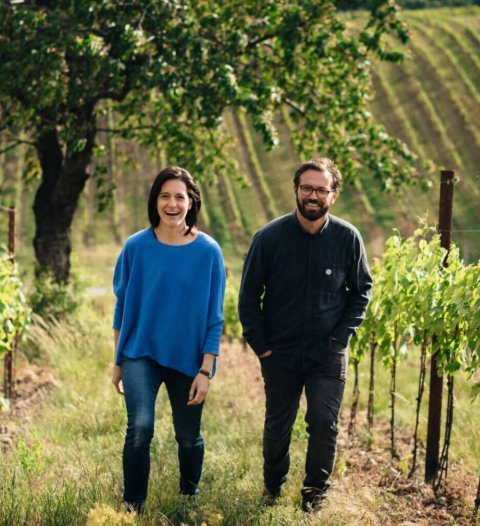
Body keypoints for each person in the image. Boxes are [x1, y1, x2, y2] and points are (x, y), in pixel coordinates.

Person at [237, 157, 373, 513]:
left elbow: (362, 292)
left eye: (321, 189)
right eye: (307, 188)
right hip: (278, 353)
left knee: (324, 425)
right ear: (297, 191)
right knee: (278, 426)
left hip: (327, 353)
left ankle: (314, 496)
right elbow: (249, 296)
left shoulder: (348, 239)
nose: (313, 195)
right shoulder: (269, 239)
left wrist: (340, 339)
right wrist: (262, 348)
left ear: (334, 194)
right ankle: (272, 489)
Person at [111, 166, 226, 512]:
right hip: (139, 353)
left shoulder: (208, 252)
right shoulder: (135, 247)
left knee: (188, 437)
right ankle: (133, 506)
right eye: (165, 196)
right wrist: (117, 362)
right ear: (155, 201)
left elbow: (214, 317)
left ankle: (187, 499)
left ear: (191, 203)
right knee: (140, 428)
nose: (172, 204)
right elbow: (122, 307)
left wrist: (206, 371)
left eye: (180, 197)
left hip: (188, 359)